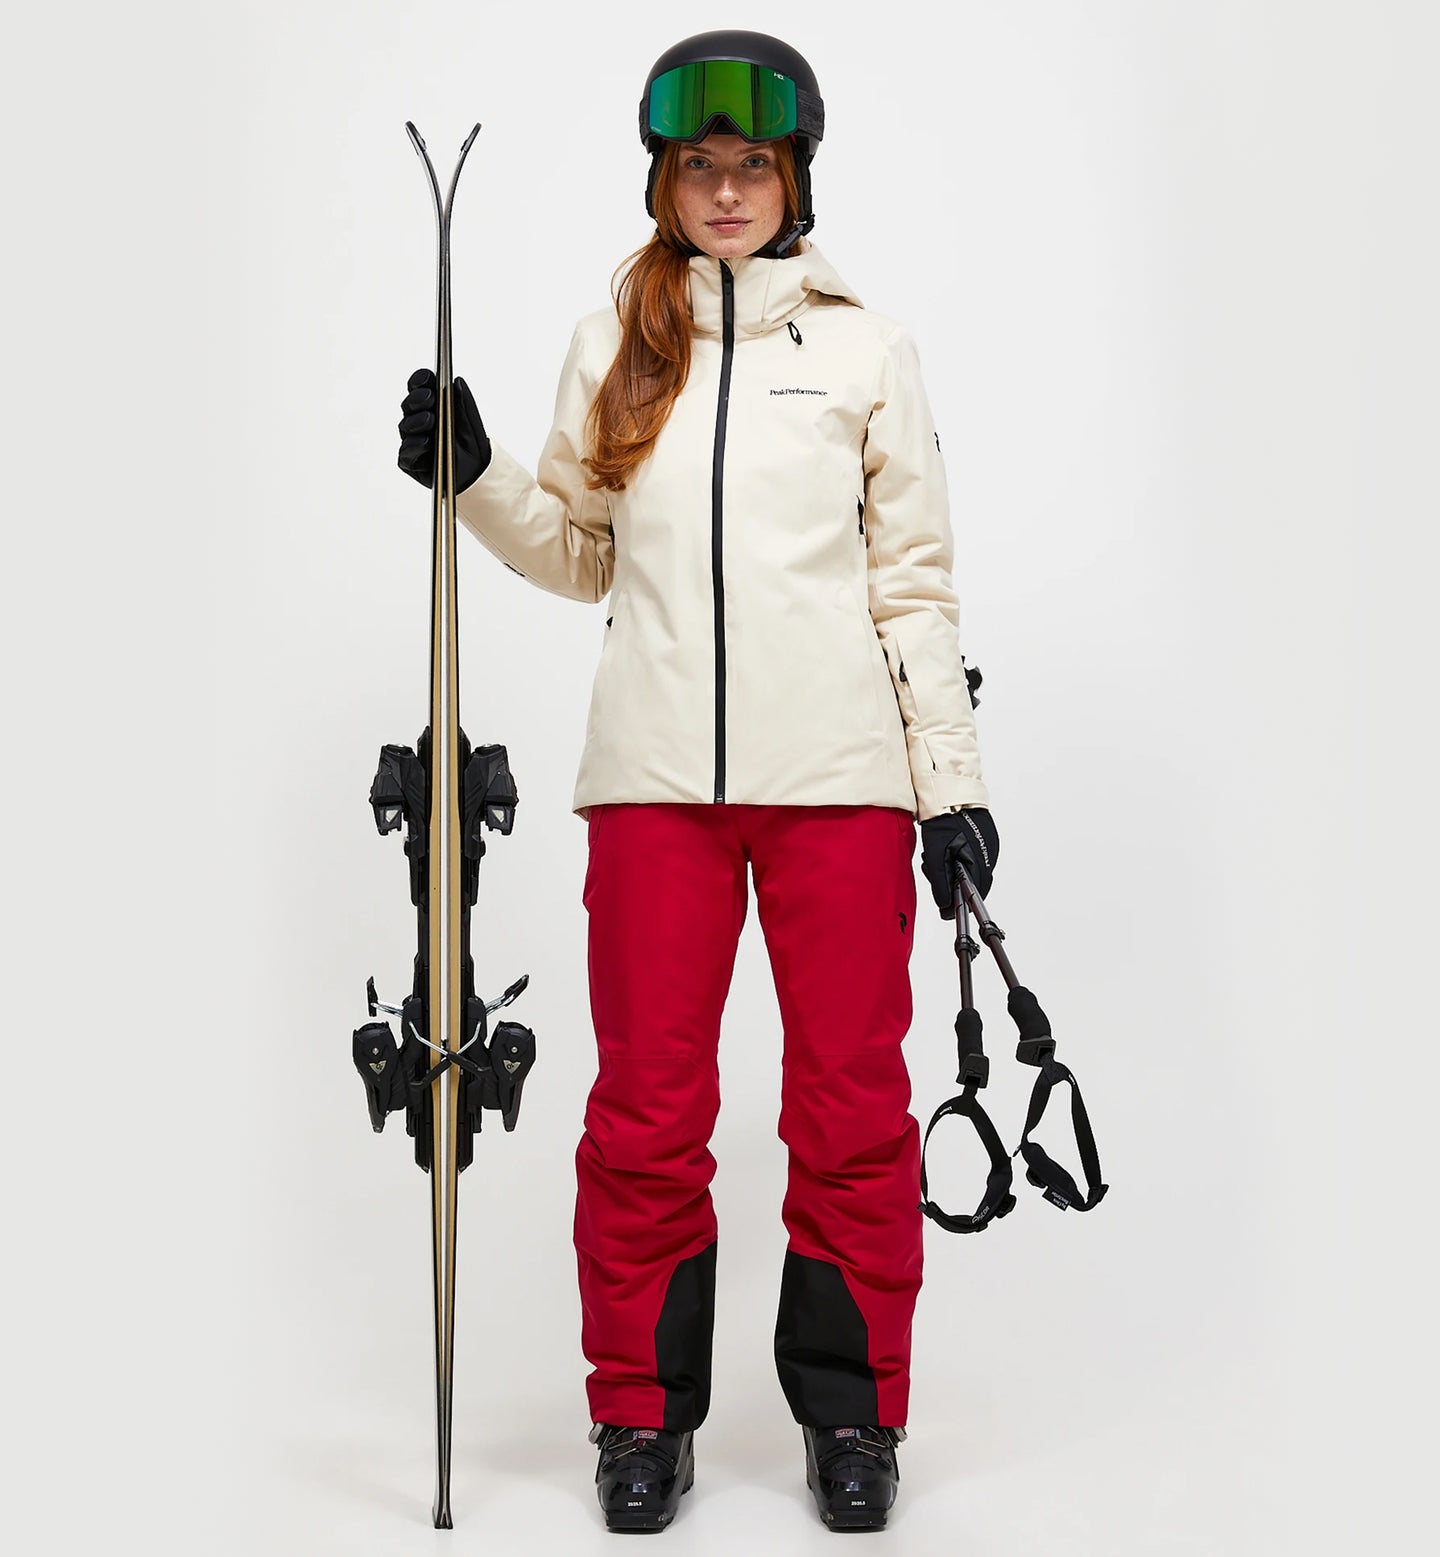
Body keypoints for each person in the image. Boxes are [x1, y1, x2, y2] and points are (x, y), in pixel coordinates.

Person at [396, 29, 1000, 1535]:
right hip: (656, 782)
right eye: (698, 165)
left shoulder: (866, 351)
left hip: (841, 787)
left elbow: (913, 586)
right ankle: (640, 1416)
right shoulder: (621, 340)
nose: (726, 189)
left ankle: (853, 1414)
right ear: (664, 181)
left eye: (754, 164)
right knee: (647, 1112)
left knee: (851, 1108)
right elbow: (580, 550)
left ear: (796, 180)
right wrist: (478, 477)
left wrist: (950, 788)